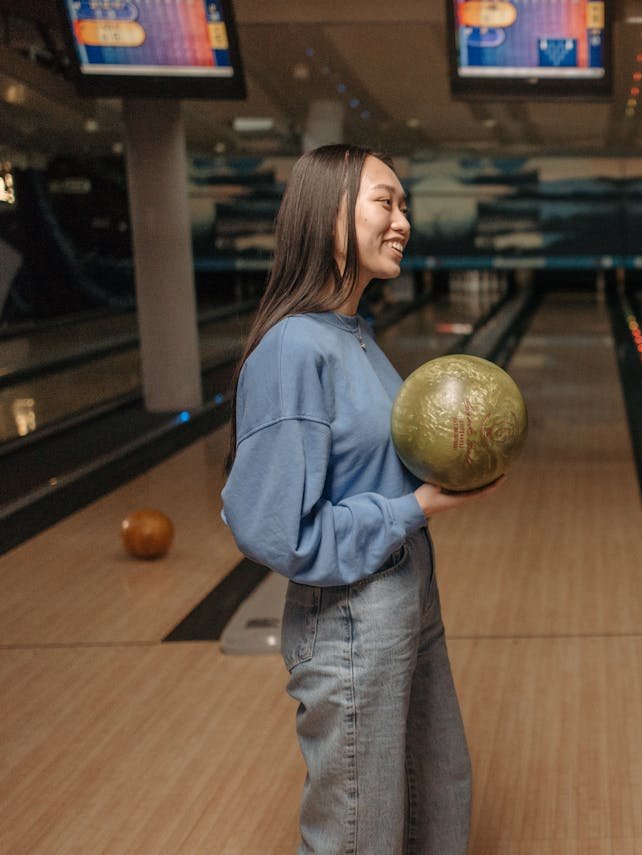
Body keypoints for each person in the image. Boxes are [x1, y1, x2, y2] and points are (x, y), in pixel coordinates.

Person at [222, 144, 499, 854]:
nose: (403, 220)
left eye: (404, 204)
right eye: (387, 201)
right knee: (360, 832)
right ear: (330, 211)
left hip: (407, 594)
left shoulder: (354, 336)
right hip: (350, 614)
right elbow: (275, 529)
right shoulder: (293, 349)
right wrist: (415, 507)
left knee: (437, 798)